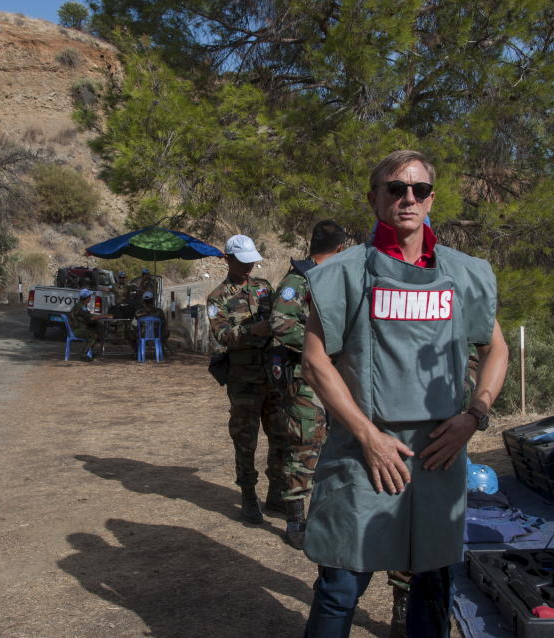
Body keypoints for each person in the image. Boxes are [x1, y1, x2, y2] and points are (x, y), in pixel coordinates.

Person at [300, 150, 509, 637]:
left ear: (431, 198)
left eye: (418, 189)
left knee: (433, 582)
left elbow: (496, 349)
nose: (408, 198)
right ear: (375, 198)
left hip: (440, 451)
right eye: (396, 188)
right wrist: (368, 437)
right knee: (341, 584)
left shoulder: (466, 273)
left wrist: (473, 416)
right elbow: (315, 362)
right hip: (363, 451)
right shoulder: (342, 274)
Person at [269, 219, 347, 550]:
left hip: (325, 376)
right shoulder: (299, 280)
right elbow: (281, 323)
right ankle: (295, 518)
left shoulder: (326, 279)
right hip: (303, 378)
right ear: (339, 249)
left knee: (320, 443)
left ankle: (304, 506)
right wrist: (322, 346)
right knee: (304, 444)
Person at [207, 234, 288, 523]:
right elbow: (222, 334)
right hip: (243, 380)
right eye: (242, 261)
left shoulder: (264, 288)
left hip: (273, 377)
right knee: (245, 440)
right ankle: (248, 496)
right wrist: (254, 331)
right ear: (227, 259)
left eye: (251, 261)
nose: (249, 267)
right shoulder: (218, 297)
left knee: (280, 436)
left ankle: (277, 494)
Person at [70, 288, 112, 361]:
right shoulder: (81, 307)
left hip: (80, 327)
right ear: (86, 298)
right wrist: (104, 316)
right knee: (93, 336)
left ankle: (90, 352)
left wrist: (100, 317)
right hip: (78, 330)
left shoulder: (81, 305)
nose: (90, 298)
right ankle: (84, 354)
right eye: (90, 296)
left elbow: (89, 316)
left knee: (98, 326)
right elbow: (91, 318)